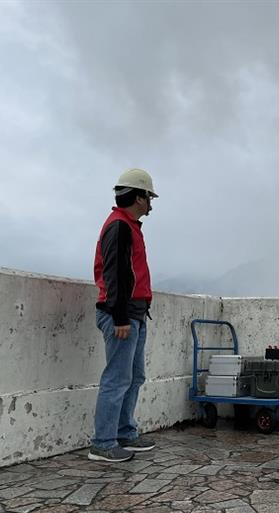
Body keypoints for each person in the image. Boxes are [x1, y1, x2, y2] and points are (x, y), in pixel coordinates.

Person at [89, 169, 158, 462]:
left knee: (134, 376)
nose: (151, 203)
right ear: (139, 197)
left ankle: (125, 432)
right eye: (149, 197)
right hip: (122, 315)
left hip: (135, 314)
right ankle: (103, 443)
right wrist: (119, 317)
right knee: (117, 379)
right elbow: (114, 274)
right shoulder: (119, 226)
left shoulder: (129, 225)